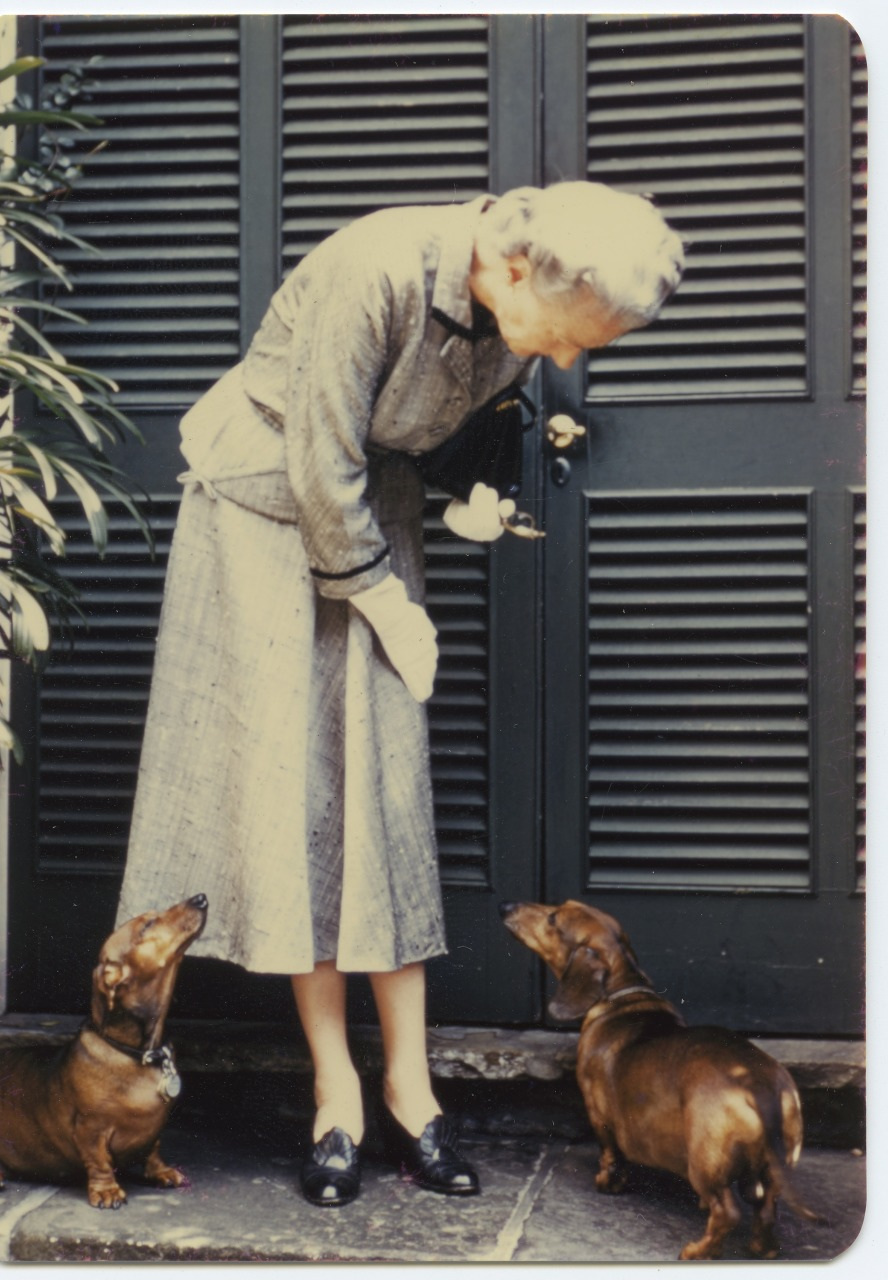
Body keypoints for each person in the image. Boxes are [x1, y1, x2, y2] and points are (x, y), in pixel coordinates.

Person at [115, 181, 685, 1207]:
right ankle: (337, 1091)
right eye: (561, 336)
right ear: (517, 267)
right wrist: (389, 603)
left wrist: (474, 491)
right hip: (265, 511)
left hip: (370, 511)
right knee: (303, 800)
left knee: (381, 798)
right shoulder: (370, 268)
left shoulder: (515, 308)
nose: (562, 361)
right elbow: (321, 457)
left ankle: (410, 1088)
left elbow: (455, 425)